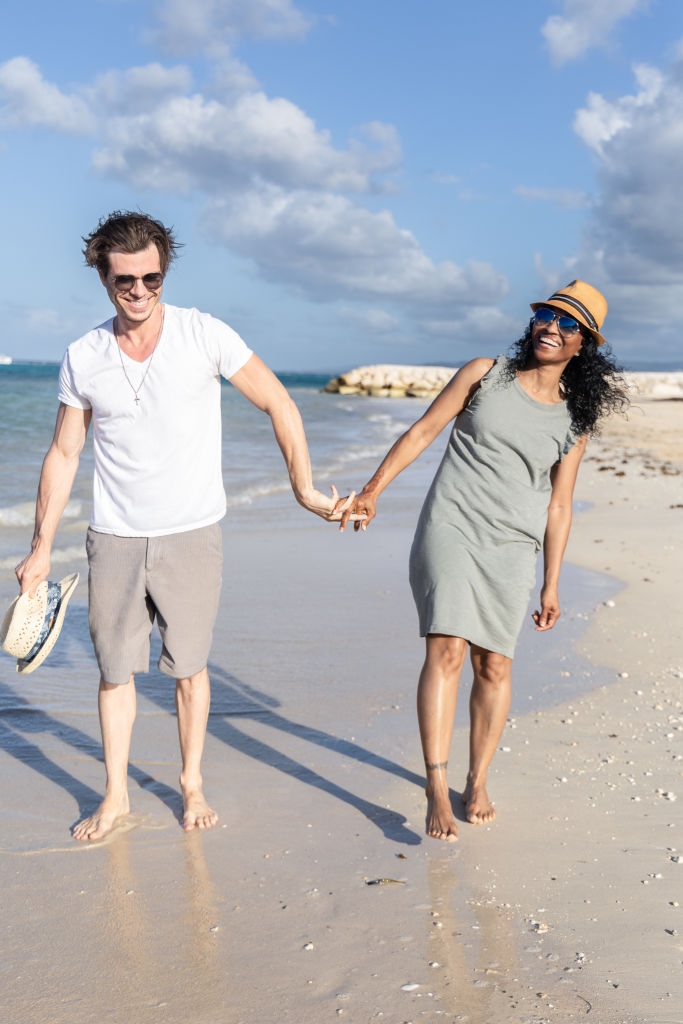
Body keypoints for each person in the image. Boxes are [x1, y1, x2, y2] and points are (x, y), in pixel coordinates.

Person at [16, 210, 355, 842]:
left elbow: (279, 401)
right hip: (114, 536)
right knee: (115, 673)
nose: (139, 291)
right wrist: (40, 550)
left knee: (189, 669)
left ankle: (191, 782)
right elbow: (64, 453)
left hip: (192, 534)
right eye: (125, 281)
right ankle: (115, 794)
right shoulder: (83, 356)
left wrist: (304, 489)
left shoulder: (205, 335)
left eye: (151, 278)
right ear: (103, 276)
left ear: (164, 272)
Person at [338, 281, 628, 842]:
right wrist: (373, 489)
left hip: (514, 544)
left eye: (568, 324)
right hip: (451, 526)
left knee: (493, 665)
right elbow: (423, 430)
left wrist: (552, 583)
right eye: (547, 314)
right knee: (446, 647)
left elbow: (561, 504)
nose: (552, 327)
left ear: (583, 345)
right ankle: (434, 785)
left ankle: (477, 781)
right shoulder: (483, 373)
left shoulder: (574, 422)